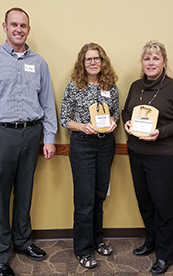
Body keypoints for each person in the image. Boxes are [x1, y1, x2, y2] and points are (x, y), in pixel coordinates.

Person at [0, 7, 57, 276]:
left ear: (28, 29)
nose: (18, 29)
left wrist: (49, 136)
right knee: (0, 197)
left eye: (23, 25)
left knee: (25, 192)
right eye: (14, 25)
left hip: (32, 133)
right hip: (2, 135)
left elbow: (47, 102)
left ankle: (22, 242)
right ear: (5, 27)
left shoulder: (40, 62)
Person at [122, 41, 173, 274]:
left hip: (163, 157)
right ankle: (151, 241)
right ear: (141, 63)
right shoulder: (135, 86)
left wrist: (161, 132)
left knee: (164, 206)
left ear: (164, 62)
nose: (150, 62)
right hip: (136, 153)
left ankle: (165, 254)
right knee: (146, 203)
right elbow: (126, 111)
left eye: (155, 58)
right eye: (147, 59)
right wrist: (127, 122)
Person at [59, 42, 119, 269]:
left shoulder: (110, 86)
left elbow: (116, 114)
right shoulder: (74, 86)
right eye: (88, 59)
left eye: (97, 58)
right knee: (84, 200)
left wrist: (113, 122)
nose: (93, 63)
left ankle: (97, 240)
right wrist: (82, 126)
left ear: (103, 62)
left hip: (106, 145)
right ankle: (82, 249)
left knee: (99, 195)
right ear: (82, 63)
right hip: (83, 145)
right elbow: (64, 119)